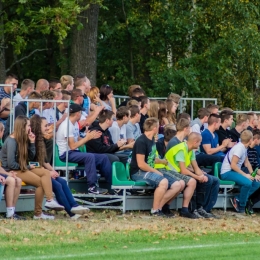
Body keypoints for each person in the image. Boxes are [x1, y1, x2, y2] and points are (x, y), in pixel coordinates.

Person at [0, 115, 64, 219]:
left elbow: (30, 156)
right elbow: (11, 164)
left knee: (45, 172)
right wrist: (28, 167)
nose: (30, 128)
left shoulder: (23, 138)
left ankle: (49, 200)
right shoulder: (11, 141)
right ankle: (38, 213)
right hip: (13, 170)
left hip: (22, 167)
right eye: (28, 125)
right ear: (22, 126)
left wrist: (32, 142)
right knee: (39, 183)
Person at [30, 115, 89, 220]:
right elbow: (33, 162)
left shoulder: (41, 140)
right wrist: (48, 172)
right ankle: (72, 213)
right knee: (57, 185)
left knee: (61, 181)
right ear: (38, 127)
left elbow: (44, 161)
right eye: (45, 125)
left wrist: (53, 171)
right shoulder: (32, 140)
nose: (48, 128)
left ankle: (74, 206)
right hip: (32, 170)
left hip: (41, 170)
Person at [130, 117, 185, 217]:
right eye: (158, 126)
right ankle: (155, 210)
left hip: (149, 170)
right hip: (138, 172)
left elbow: (151, 158)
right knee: (163, 182)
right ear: (155, 128)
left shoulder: (151, 140)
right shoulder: (141, 141)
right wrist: (155, 171)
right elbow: (141, 164)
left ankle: (160, 208)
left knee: (179, 184)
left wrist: (162, 161)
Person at [56, 103, 111, 194]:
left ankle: (112, 186)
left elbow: (79, 141)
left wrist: (91, 137)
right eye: (81, 112)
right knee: (89, 157)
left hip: (74, 152)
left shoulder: (74, 124)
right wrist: (87, 138)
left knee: (103, 158)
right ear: (78, 113)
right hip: (66, 154)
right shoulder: (67, 125)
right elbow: (72, 146)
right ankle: (92, 187)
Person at [165, 132, 220, 218]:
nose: (200, 144)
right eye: (200, 142)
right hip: (170, 172)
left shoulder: (190, 150)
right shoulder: (181, 149)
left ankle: (203, 209)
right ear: (195, 142)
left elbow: (196, 167)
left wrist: (202, 176)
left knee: (211, 180)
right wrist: (198, 177)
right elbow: (183, 171)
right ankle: (189, 209)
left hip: (179, 171)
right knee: (193, 181)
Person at [221, 130, 260, 213]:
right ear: (250, 140)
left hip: (234, 172)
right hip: (227, 172)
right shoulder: (239, 148)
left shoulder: (244, 148)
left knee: (256, 182)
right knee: (247, 183)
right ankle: (241, 206)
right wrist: (246, 175)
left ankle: (238, 198)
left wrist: (253, 174)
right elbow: (233, 165)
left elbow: (247, 162)